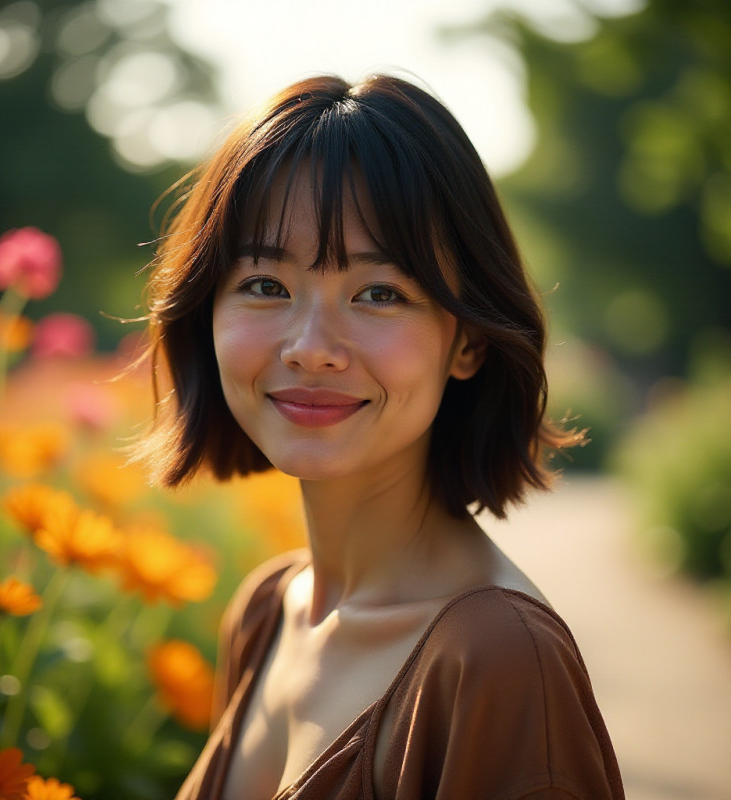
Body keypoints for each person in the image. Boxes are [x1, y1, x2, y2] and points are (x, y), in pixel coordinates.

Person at [137, 73, 625, 799]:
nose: (311, 347)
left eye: (379, 294)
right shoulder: (267, 612)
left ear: (469, 343)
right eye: (266, 285)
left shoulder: (499, 662)